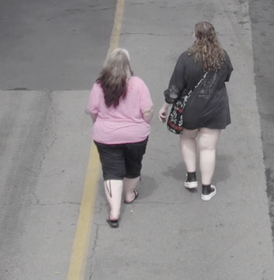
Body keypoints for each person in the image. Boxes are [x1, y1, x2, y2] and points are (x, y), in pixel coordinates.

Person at [166, 22, 233, 200]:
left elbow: (175, 88)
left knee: (188, 138)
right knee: (208, 148)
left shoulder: (186, 58)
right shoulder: (223, 57)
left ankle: (190, 177)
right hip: (215, 109)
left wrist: (166, 106)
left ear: (195, 36)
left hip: (190, 110)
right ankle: (206, 189)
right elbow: (227, 76)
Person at [88, 49, 153, 228]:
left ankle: (114, 213)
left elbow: (93, 111)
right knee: (133, 166)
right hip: (135, 136)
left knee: (112, 172)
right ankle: (129, 194)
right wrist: (145, 124)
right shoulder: (138, 84)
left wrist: (98, 124)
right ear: (128, 65)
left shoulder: (99, 86)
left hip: (106, 136)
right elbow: (147, 111)